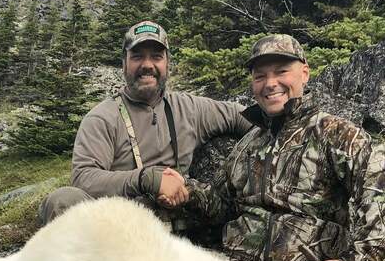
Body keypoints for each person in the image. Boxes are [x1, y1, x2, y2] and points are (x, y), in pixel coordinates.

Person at [180, 34, 385, 261]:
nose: (270, 83)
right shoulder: (247, 143)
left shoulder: (335, 133)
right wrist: (186, 190)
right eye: (260, 76)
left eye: (281, 72)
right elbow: (220, 205)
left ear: (304, 72)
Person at [39, 20, 251, 225]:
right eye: (137, 56)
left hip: (179, 227)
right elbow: (83, 178)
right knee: (62, 200)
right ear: (124, 63)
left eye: (156, 57)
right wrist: (145, 179)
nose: (147, 65)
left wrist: (280, 133)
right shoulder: (101, 118)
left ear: (168, 64)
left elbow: (240, 116)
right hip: (117, 227)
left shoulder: (190, 108)